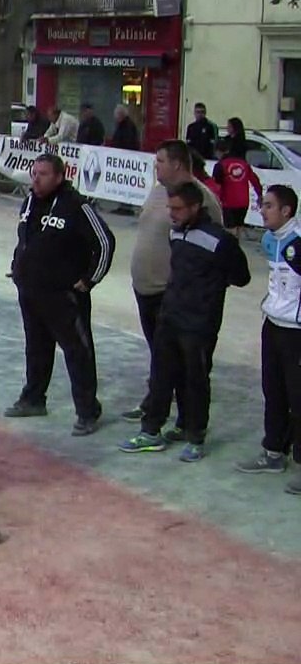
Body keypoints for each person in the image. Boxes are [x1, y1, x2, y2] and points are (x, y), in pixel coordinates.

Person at [118, 182, 250, 462]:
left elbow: (241, 276)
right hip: (170, 317)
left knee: (195, 380)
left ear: (194, 207)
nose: (172, 214)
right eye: (170, 208)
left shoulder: (219, 240)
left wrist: (208, 291)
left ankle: (195, 436)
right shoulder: (176, 233)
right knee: (161, 376)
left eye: (177, 209)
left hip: (199, 325)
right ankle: (151, 432)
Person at [6, 153, 116, 436]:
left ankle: (88, 411)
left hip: (64, 295)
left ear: (59, 176)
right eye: (34, 173)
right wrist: (18, 267)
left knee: (77, 351)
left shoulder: (76, 206)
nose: (36, 179)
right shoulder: (29, 201)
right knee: (37, 347)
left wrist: (90, 280)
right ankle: (33, 399)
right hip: (30, 291)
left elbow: (104, 243)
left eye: (43, 174)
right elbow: (26, 240)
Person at [123, 140, 223, 425]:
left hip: (173, 294)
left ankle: (185, 419)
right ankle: (155, 401)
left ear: (177, 164)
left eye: (160, 161)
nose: (156, 166)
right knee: (160, 355)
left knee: (180, 360)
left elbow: (217, 249)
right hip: (146, 288)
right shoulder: (157, 191)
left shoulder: (202, 199)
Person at [235, 185, 301, 488]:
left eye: (268, 206)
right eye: (262, 205)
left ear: (286, 210)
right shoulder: (267, 239)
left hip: (295, 332)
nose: (261, 210)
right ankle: (273, 451)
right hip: (272, 324)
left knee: (298, 397)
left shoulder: (298, 243)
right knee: (272, 390)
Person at [211, 137, 263, 240]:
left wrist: (216, 201)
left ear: (217, 151)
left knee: (229, 230)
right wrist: (259, 195)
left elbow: (216, 186)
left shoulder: (220, 165)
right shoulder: (243, 163)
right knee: (238, 228)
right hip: (243, 202)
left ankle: (230, 251)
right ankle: (236, 249)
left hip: (228, 202)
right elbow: (255, 180)